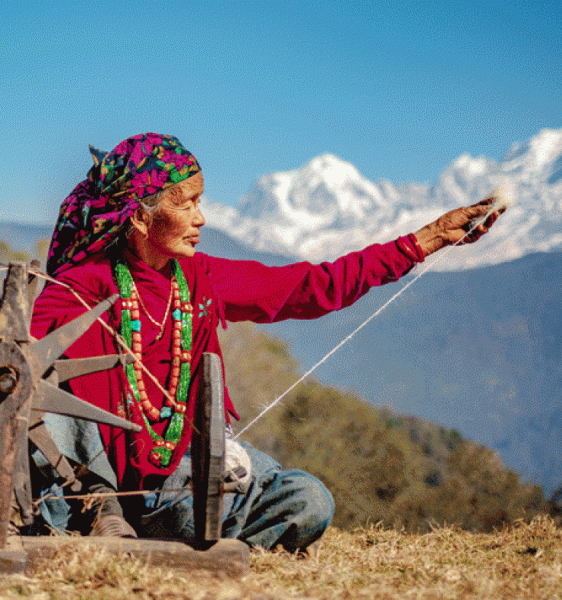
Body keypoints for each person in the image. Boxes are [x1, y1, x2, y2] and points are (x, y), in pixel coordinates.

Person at [28, 133, 504, 552]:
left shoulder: (201, 277)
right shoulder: (80, 287)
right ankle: (113, 516)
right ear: (139, 218)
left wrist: (427, 239)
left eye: (201, 200)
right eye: (186, 203)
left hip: (182, 474)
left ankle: (178, 534)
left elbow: (315, 286)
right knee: (49, 396)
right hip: (96, 485)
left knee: (309, 502)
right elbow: (19, 371)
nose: (201, 217)